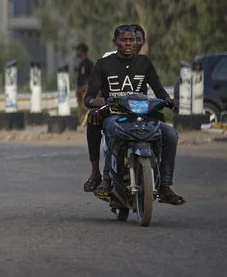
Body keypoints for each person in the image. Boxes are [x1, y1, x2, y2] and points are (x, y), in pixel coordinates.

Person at [84, 25, 185, 205]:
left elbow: (159, 90)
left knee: (170, 134)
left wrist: (168, 101)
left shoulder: (144, 63)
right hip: (115, 116)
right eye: (124, 40)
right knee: (113, 129)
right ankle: (106, 180)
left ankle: (164, 185)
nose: (129, 43)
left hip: (142, 117)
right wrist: (95, 102)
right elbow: (89, 96)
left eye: (131, 40)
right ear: (115, 42)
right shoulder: (103, 64)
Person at [83, 24, 147, 192]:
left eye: (137, 40)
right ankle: (97, 173)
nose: (133, 44)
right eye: (128, 40)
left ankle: (158, 176)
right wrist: (97, 104)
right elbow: (97, 87)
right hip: (112, 109)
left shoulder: (145, 64)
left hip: (139, 112)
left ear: (142, 42)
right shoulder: (108, 59)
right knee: (93, 118)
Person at [74, 42, 95, 125]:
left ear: (82, 51)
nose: (76, 52)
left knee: (86, 108)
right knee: (80, 109)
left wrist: (83, 88)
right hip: (80, 90)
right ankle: (81, 124)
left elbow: (91, 77)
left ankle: (86, 124)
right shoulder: (81, 63)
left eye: (78, 50)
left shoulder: (89, 63)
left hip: (85, 90)